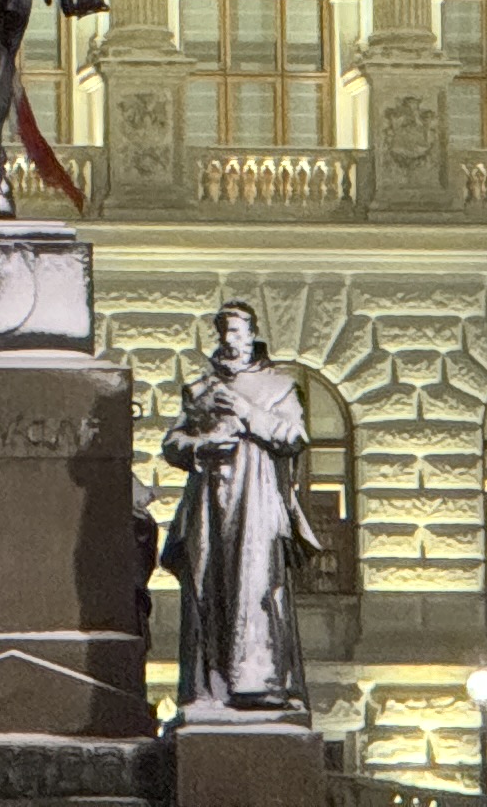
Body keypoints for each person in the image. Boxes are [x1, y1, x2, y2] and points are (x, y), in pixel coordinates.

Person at [159, 303, 318, 714]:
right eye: (224, 331)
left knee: (256, 583)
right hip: (209, 504)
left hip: (258, 500)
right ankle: (207, 687)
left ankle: (259, 683)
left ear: (252, 335)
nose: (230, 339)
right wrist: (200, 447)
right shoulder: (200, 389)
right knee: (206, 585)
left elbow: (293, 435)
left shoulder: (278, 386)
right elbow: (172, 444)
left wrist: (247, 414)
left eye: (237, 331)